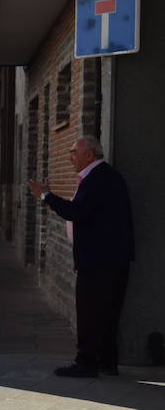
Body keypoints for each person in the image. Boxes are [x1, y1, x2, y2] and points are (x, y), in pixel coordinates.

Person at [29, 135, 134, 377]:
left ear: (89, 155)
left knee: (92, 311)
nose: (70, 157)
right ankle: (107, 361)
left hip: (100, 260)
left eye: (74, 152)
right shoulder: (102, 177)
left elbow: (76, 212)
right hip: (108, 258)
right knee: (106, 312)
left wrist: (46, 195)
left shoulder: (99, 179)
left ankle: (87, 362)